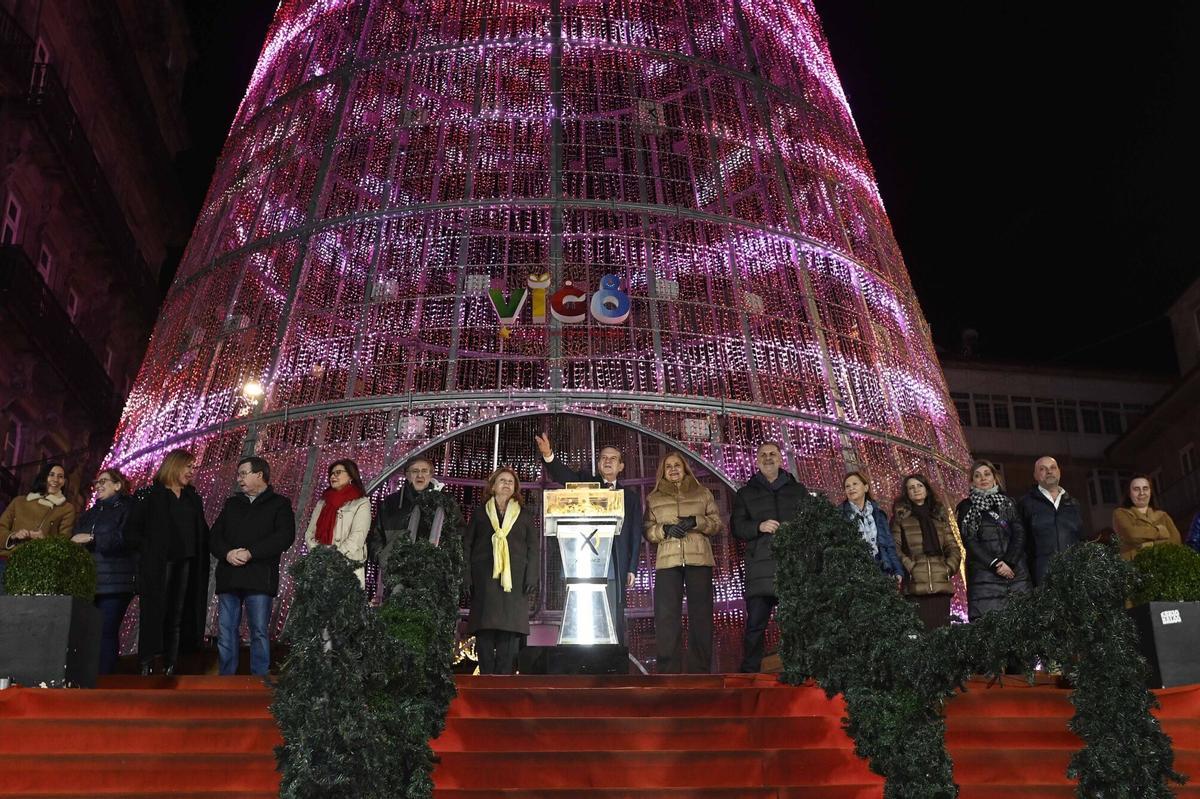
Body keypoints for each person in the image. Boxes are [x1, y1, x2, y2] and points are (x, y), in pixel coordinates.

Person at [535, 432, 642, 644]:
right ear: (598, 464)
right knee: (585, 613)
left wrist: (632, 567)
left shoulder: (630, 497)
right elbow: (565, 476)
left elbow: (635, 534)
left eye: (613, 458)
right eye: (604, 457)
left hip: (614, 563)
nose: (608, 461)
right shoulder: (585, 483)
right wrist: (549, 456)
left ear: (621, 466)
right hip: (583, 561)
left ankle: (612, 668)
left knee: (612, 615)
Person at [125, 449, 210, 675]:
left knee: (178, 613)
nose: (192, 472)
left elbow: (201, 530)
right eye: (188, 467)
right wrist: (150, 548)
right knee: (154, 612)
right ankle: (147, 661)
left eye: (194, 468)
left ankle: (170, 663)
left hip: (187, 562)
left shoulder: (193, 497)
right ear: (174, 465)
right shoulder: (149, 495)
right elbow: (131, 532)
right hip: (158, 563)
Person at [209, 456, 296, 676]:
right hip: (229, 575)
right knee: (226, 630)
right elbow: (214, 537)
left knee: (258, 630)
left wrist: (251, 553)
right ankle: (226, 676)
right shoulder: (232, 504)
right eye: (238, 475)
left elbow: (285, 537)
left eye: (243, 474)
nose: (239, 479)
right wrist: (228, 553)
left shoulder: (280, 504)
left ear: (260, 475)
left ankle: (259, 678)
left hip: (259, 577)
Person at [730, 441, 808, 672]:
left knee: (795, 624)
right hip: (759, 570)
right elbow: (736, 527)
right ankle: (749, 674)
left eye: (772, 454)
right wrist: (759, 526)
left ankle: (799, 670)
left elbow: (811, 524)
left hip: (791, 567)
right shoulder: (745, 493)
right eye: (763, 455)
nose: (768, 458)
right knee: (755, 625)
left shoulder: (798, 491)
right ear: (756, 461)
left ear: (781, 459)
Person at [645, 451, 723, 674]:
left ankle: (699, 670)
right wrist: (665, 529)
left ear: (685, 468)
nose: (673, 469)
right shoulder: (654, 498)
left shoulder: (702, 492)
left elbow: (716, 524)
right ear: (663, 471)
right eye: (668, 466)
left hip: (699, 559)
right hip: (668, 563)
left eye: (677, 465)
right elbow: (648, 531)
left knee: (701, 614)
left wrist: (694, 522)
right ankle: (668, 671)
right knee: (666, 616)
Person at [463, 467, 539, 675]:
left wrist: (531, 576)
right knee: (485, 632)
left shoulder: (524, 515)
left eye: (510, 482)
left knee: (509, 634)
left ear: (515, 489)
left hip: (514, 582)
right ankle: (486, 679)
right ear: (493, 486)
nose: (506, 484)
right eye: (502, 481)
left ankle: (503, 683)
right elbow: (467, 546)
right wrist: (466, 576)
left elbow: (533, 549)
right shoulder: (480, 513)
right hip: (484, 580)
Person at [367, 455, 464, 591]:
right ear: (407, 475)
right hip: (398, 574)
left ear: (431, 475)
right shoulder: (391, 503)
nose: (420, 475)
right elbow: (376, 537)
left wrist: (449, 564)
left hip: (435, 575)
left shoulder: (446, 503)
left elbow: (459, 534)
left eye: (425, 471)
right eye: (415, 471)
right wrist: (386, 560)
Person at [72, 468, 136, 674]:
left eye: (104, 481)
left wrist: (94, 539)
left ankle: (105, 680)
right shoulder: (90, 513)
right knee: (87, 632)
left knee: (106, 631)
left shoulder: (129, 508)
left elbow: (127, 538)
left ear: (118, 485)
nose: (98, 485)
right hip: (89, 580)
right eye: (96, 482)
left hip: (116, 581)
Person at [956, 460, 1029, 621]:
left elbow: (1019, 533)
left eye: (987, 474)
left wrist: (1009, 562)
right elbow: (970, 540)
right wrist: (996, 564)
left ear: (995, 478)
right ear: (971, 481)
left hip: (1015, 574)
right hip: (985, 577)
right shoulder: (966, 507)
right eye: (977, 476)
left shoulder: (1008, 503)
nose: (983, 478)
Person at [890, 474, 962, 630]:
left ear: (927, 489)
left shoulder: (939, 517)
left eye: (919, 486)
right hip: (915, 587)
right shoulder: (901, 518)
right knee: (920, 637)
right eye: (911, 487)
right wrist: (911, 567)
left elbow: (953, 547)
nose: (916, 490)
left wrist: (948, 568)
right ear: (907, 493)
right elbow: (894, 547)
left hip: (940, 585)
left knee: (942, 636)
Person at [0, 463, 76, 593]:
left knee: (18, 611)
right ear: (43, 477)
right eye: (51, 475)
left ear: (64, 482)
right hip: (6, 561)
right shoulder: (19, 501)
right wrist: (13, 536)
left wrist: (44, 540)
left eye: (60, 476)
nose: (55, 480)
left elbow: (63, 542)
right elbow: (2, 527)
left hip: (36, 567)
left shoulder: (66, 509)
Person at [1017, 456, 1085, 586]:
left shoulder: (1074, 503)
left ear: (1059, 472)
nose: (1049, 472)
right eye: (1043, 469)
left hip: (1073, 576)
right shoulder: (1025, 503)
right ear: (1035, 475)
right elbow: (1021, 543)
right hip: (1041, 576)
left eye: (1052, 468)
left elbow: (1081, 539)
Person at [304, 460, 370, 587]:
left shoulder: (361, 502)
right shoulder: (322, 502)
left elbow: (358, 536)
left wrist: (335, 556)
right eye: (331, 474)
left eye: (338, 472)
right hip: (320, 565)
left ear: (351, 475)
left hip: (347, 564)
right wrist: (320, 554)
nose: (333, 476)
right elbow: (309, 533)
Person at [840, 471, 905, 584]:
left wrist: (897, 570)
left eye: (855, 484)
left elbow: (888, 545)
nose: (851, 488)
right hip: (856, 574)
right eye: (847, 486)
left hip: (882, 569)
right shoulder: (840, 514)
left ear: (865, 487)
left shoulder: (878, 514)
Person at [1112, 475, 1181, 561]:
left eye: (1145, 488)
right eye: (1136, 489)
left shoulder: (1163, 515)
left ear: (1150, 492)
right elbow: (1131, 534)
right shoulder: (1121, 513)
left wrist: (1147, 545)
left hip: (1162, 565)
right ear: (1129, 493)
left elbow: (1176, 541)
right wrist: (1159, 531)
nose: (1141, 493)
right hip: (1134, 567)